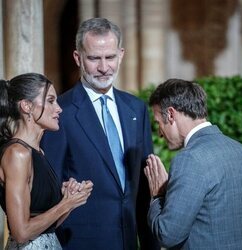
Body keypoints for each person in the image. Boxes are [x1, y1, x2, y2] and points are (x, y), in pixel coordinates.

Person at [41, 17, 159, 250]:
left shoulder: (135, 108)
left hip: (129, 242)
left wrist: (150, 244)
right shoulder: (59, 113)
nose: (104, 67)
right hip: (79, 243)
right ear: (78, 58)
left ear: (121, 54)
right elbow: (52, 190)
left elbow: (144, 187)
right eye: (94, 58)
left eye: (110, 57)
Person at [144, 78, 242, 249]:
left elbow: (168, 235)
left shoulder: (189, 159)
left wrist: (158, 197)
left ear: (170, 114)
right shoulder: (240, 150)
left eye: (158, 123)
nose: (160, 133)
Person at [0, 73, 93, 250]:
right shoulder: (17, 154)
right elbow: (21, 232)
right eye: (50, 101)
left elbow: (47, 227)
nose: (59, 108)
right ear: (27, 106)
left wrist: (70, 200)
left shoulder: (38, 152)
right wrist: (65, 204)